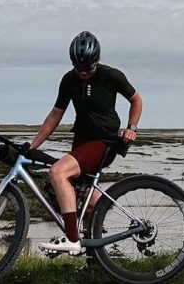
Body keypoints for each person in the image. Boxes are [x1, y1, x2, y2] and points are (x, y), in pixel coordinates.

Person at [24, 31, 142, 255]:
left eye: (89, 68)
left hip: (104, 141)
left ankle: (71, 238)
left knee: (58, 172)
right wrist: (33, 145)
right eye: (79, 68)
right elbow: (55, 115)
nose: (84, 73)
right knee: (88, 203)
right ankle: (96, 262)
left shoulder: (111, 76)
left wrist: (131, 128)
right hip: (82, 141)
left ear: (97, 60)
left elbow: (136, 99)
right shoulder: (69, 80)